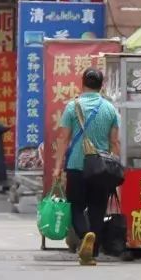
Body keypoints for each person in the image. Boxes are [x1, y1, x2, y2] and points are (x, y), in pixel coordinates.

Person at [53, 68, 120, 266]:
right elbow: (114, 142)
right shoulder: (109, 109)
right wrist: (115, 165)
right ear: (102, 85)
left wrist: (58, 167)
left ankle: (84, 236)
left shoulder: (72, 107)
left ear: (82, 83)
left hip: (76, 164)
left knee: (76, 206)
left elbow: (64, 138)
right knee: (98, 208)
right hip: (100, 167)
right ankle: (93, 251)